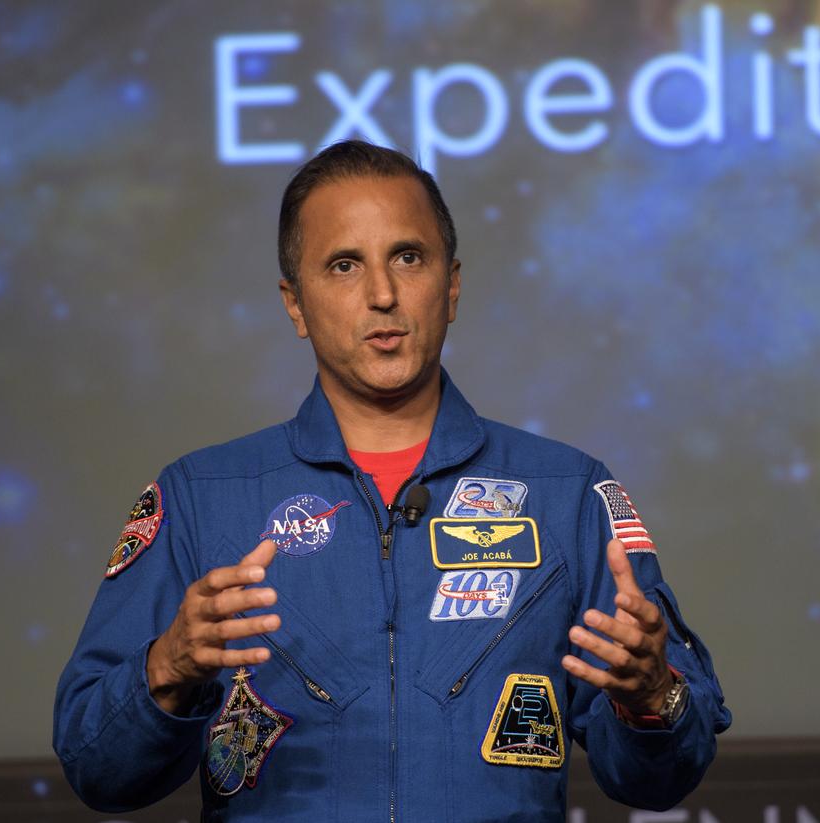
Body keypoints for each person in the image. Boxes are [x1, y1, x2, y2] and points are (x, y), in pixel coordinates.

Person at [54, 140, 731, 821]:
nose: (382, 294)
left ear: (452, 285)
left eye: (408, 257)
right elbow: (97, 769)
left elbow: (660, 777)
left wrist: (652, 696)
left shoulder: (567, 492)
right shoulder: (203, 497)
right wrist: (169, 667)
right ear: (294, 304)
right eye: (343, 265)